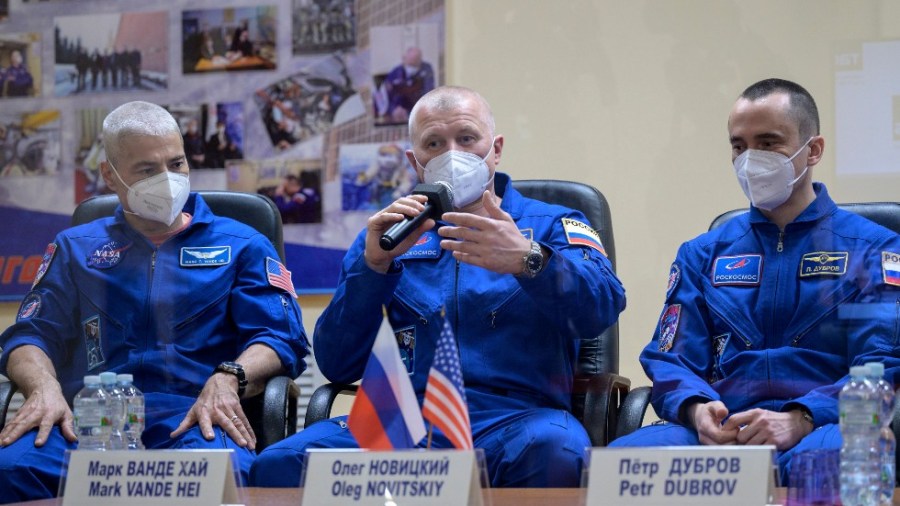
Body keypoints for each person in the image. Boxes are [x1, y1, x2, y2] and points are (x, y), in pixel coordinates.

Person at [250, 85, 626, 488]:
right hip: (402, 418)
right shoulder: (391, 234)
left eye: (466, 139)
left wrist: (528, 258)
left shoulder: (553, 223)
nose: (452, 154)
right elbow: (337, 363)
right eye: (434, 143)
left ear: (495, 149)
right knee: (279, 466)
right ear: (416, 162)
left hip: (517, 418)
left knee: (558, 453)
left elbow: (602, 306)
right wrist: (373, 267)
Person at [0, 101, 309, 503]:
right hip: (88, 421)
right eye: (147, 170)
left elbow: (280, 338)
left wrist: (229, 376)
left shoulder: (242, 243)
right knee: (10, 471)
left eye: (176, 164)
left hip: (196, 417)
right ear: (110, 176)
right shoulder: (76, 248)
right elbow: (30, 335)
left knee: (219, 476)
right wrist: (42, 388)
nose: (167, 180)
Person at [609, 78, 900, 484]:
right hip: (725, 431)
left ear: (813, 149)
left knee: (838, 460)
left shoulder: (874, 250)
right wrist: (697, 409)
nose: (750, 159)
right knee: (623, 464)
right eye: (738, 146)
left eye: (767, 143)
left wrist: (800, 418)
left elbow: (880, 367)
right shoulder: (702, 254)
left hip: (821, 430)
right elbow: (671, 359)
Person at [381, 47, 435, 123]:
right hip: (397, 113)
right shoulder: (396, 72)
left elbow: (428, 94)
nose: (411, 68)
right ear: (404, 60)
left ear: (420, 61)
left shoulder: (426, 70)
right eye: (409, 64)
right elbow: (386, 96)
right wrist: (393, 109)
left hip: (417, 113)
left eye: (414, 65)